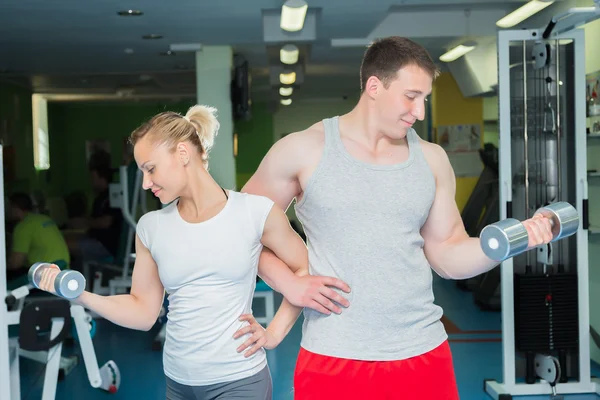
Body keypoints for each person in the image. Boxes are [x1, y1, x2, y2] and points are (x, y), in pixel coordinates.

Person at [238, 36, 555, 399]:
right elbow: (239, 229)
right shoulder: (303, 149)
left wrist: (512, 240)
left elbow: (448, 254)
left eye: (425, 99)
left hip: (423, 352)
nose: (419, 111)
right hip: (334, 355)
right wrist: (289, 283)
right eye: (411, 96)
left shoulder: (432, 159)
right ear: (374, 86)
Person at [36, 104, 350, 400]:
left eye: (150, 169)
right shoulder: (151, 227)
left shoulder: (254, 212)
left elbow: (304, 268)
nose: (146, 183)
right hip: (178, 381)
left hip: (239, 379)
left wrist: (274, 334)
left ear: (183, 153)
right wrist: (81, 296)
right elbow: (143, 312)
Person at [6, 192, 71, 281]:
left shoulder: (23, 226)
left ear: (15, 208)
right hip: (63, 268)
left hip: (44, 275)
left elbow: (15, 263)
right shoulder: (44, 218)